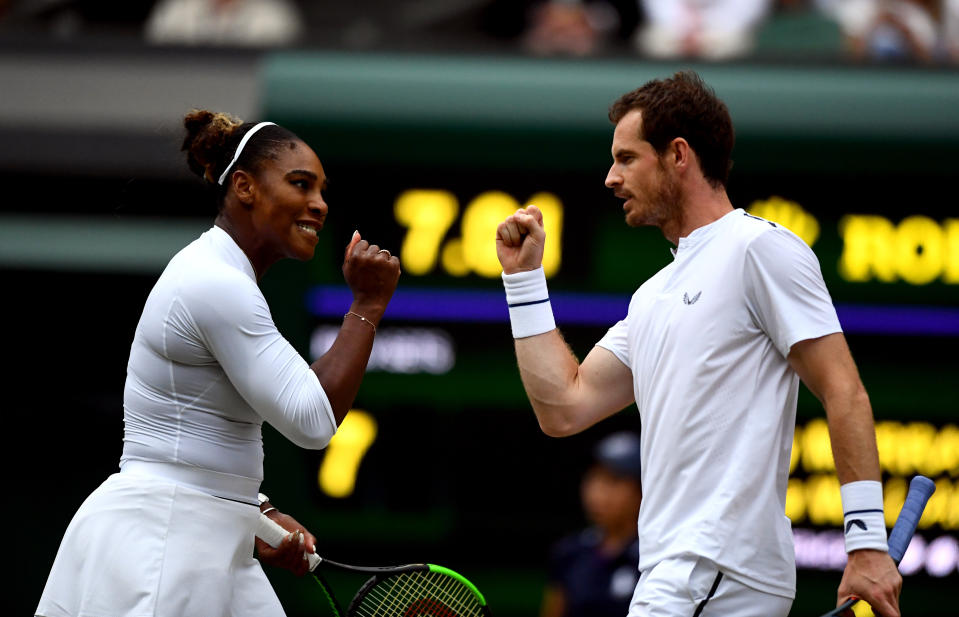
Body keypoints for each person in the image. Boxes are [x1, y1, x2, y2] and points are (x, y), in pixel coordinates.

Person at [495, 71, 902, 616]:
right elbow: (563, 409)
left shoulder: (760, 249)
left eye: (626, 158)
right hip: (681, 570)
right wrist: (524, 282)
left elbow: (844, 391)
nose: (611, 178)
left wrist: (867, 543)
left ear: (678, 155)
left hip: (716, 566)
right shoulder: (652, 297)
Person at [35, 110, 401, 617]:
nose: (318, 205)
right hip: (163, 540)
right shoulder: (215, 282)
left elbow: (195, 440)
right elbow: (313, 421)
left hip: (205, 535)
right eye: (300, 184)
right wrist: (367, 306)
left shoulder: (222, 276)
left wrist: (260, 513)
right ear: (245, 188)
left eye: (322, 191)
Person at [542, 431, 643, 617]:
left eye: (614, 481)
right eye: (594, 478)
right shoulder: (569, 553)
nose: (598, 492)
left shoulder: (654, 556)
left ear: (641, 490)